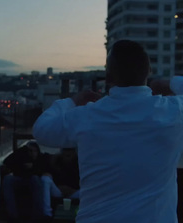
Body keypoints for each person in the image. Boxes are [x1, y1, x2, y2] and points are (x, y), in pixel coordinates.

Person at [33, 39, 183, 223]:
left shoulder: (88, 116)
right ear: (148, 71)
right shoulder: (173, 112)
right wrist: (168, 84)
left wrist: (72, 101)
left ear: (109, 77)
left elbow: (41, 130)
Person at [0, 141, 51, 222]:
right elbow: (7, 161)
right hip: (19, 179)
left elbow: (46, 165)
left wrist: (33, 166)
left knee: (35, 179)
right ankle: (12, 215)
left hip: (33, 181)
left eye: (34, 151)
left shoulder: (41, 158)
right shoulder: (21, 156)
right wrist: (22, 150)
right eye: (30, 151)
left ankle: (37, 216)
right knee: (7, 179)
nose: (32, 153)